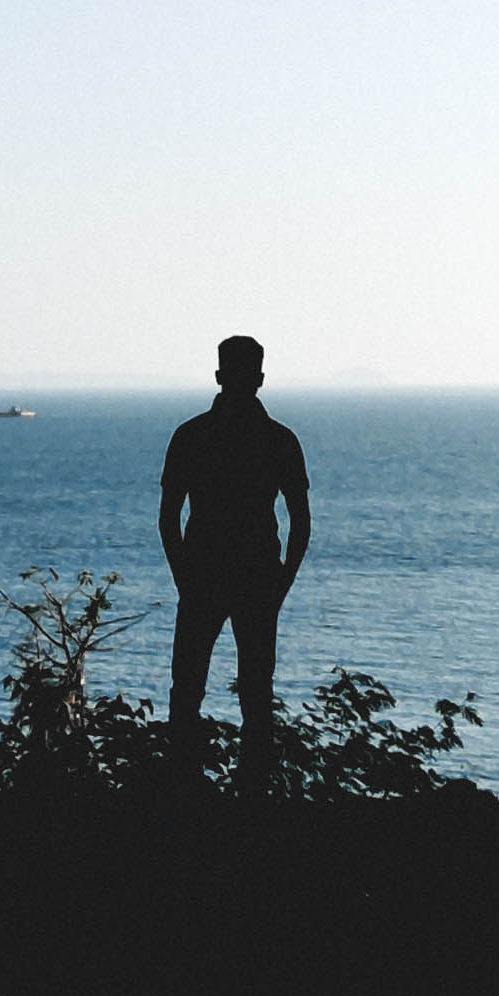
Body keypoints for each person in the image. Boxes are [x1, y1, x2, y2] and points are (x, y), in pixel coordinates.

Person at [159, 334, 310, 785]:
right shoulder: (279, 440)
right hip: (255, 576)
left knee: (189, 687)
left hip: (205, 573)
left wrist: (184, 577)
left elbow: (169, 519)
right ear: (260, 378)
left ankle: (185, 782)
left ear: (219, 375)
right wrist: (281, 583)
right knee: (254, 691)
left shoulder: (191, 436)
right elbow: (300, 523)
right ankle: (251, 786)